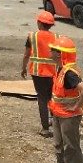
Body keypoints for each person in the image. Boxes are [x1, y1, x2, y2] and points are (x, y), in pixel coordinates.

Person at [47, 36, 83, 163]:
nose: (50, 52)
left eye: (53, 50)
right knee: (59, 145)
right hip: (59, 113)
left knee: (71, 147)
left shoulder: (69, 73)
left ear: (60, 54)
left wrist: (76, 106)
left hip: (69, 116)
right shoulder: (60, 69)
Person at [21, 10, 58, 138]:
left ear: (39, 23)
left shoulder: (32, 36)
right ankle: (57, 125)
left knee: (42, 99)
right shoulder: (57, 37)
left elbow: (26, 54)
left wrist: (23, 68)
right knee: (52, 97)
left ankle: (45, 129)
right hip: (53, 73)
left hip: (38, 73)